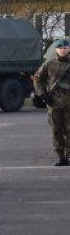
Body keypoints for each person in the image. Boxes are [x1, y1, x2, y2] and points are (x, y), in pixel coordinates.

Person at [33, 38, 70, 166]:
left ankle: (69, 155)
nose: (63, 50)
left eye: (65, 48)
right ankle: (61, 156)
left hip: (69, 103)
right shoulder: (49, 64)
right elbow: (37, 78)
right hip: (54, 103)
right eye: (60, 48)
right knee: (56, 129)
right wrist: (42, 94)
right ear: (56, 50)